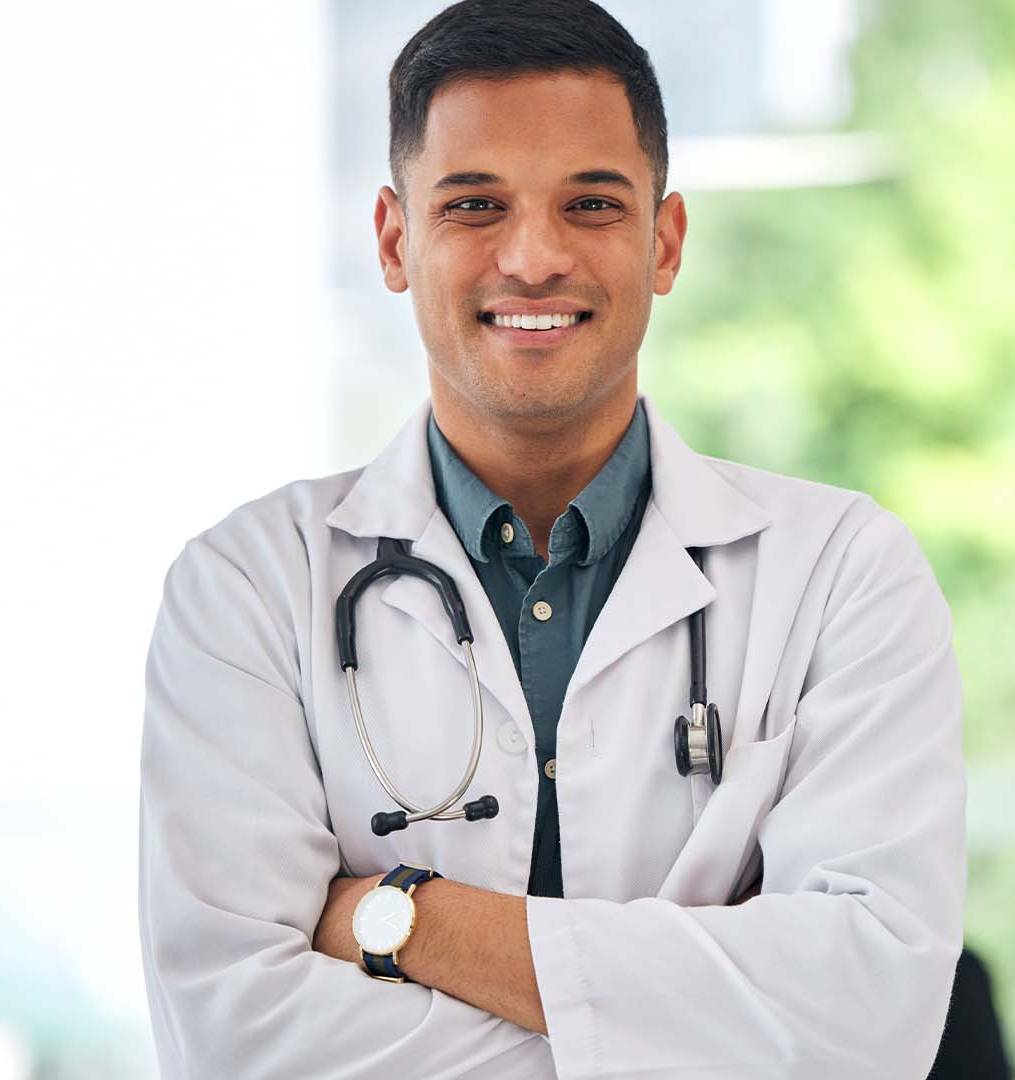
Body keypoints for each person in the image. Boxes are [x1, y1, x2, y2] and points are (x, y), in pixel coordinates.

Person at [136, 1, 966, 1077]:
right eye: (475, 204)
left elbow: (869, 1015)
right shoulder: (244, 590)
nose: (532, 258)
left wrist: (406, 924)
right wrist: (706, 1021)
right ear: (395, 240)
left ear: (664, 243)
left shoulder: (846, 575)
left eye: (591, 203)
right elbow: (235, 1039)